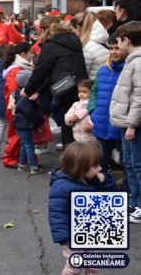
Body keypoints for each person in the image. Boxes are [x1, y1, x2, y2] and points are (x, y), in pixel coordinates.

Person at [48, 142, 115, 275]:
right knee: (75, 266)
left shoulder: (91, 180)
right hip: (73, 237)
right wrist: (64, 237)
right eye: (95, 166)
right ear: (81, 168)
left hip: (89, 233)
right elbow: (57, 213)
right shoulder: (63, 186)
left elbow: (108, 199)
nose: (100, 169)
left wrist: (105, 183)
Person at [23, 16, 88, 151]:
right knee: (80, 127)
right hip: (81, 87)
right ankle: (83, 160)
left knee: (68, 127)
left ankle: (72, 163)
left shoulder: (51, 46)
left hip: (64, 88)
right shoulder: (74, 41)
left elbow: (40, 72)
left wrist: (28, 90)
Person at [109, 21, 141, 222]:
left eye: (118, 42)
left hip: (133, 125)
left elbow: (138, 96)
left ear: (126, 40)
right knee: (130, 164)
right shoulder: (133, 60)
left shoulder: (137, 62)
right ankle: (134, 202)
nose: (117, 46)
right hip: (128, 123)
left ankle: (139, 205)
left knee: (136, 164)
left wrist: (131, 124)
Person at [89, 34, 126, 175]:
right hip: (102, 123)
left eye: (117, 48)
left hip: (120, 125)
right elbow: (94, 91)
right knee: (100, 162)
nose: (113, 52)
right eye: (110, 48)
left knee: (126, 162)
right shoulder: (103, 70)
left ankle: (127, 191)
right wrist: (93, 110)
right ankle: (103, 189)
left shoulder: (130, 69)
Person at [2, 42, 34, 168]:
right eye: (30, 53)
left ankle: (22, 159)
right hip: (17, 108)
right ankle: (11, 158)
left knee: (21, 136)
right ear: (23, 54)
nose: (32, 55)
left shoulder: (19, 68)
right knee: (17, 135)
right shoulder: (17, 70)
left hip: (18, 107)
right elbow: (14, 92)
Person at [11, 70, 45, 175]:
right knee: (29, 145)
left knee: (24, 144)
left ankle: (22, 164)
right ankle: (33, 167)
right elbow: (29, 111)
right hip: (25, 124)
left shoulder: (17, 92)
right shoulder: (26, 96)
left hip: (19, 123)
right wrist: (40, 119)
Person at [69, 13, 108, 80]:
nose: (72, 33)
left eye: (72, 30)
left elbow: (81, 74)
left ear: (78, 28)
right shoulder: (100, 40)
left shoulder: (86, 48)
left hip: (90, 87)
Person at [64, 80, 95, 144]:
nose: (81, 94)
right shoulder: (76, 104)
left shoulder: (94, 105)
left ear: (92, 92)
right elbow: (67, 115)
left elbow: (99, 121)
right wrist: (70, 119)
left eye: (85, 92)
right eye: (79, 92)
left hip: (92, 138)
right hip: (77, 137)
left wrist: (93, 128)